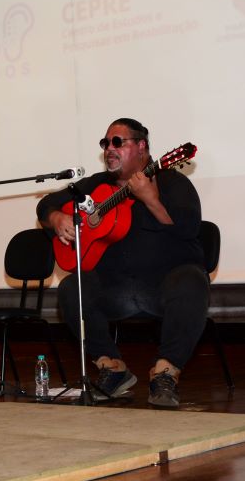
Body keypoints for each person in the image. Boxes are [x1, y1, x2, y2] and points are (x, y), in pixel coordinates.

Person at [36, 118, 208, 408]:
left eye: (118, 142)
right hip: (114, 289)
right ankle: (112, 369)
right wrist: (56, 218)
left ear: (142, 146)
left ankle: (166, 372)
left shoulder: (172, 182)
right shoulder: (95, 185)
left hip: (162, 287)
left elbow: (190, 229)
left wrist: (152, 200)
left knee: (192, 280)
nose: (109, 150)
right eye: (105, 144)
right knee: (71, 287)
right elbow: (46, 204)